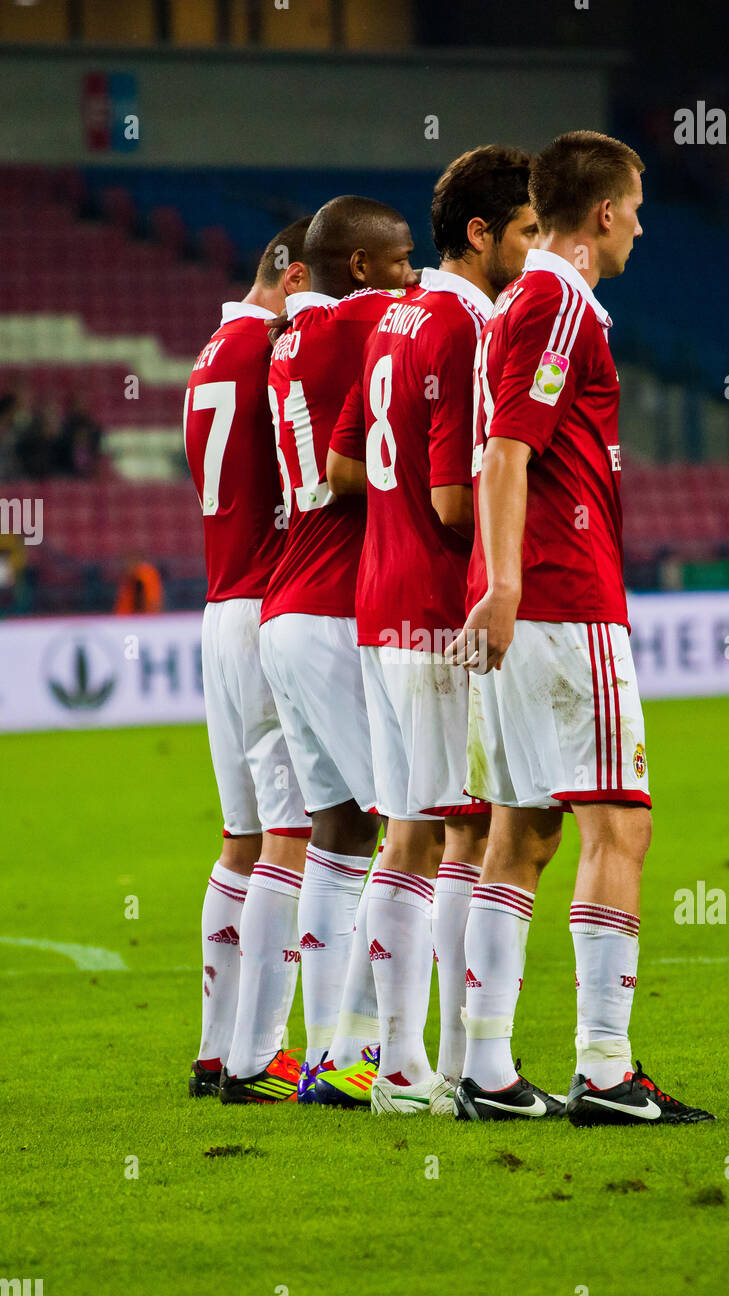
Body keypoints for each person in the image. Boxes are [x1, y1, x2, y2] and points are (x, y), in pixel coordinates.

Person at [447, 131, 714, 1125]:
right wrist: (509, 582)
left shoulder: (513, 300)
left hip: (525, 602)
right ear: (599, 213)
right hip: (560, 597)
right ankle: (604, 1068)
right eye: (634, 206)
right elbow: (509, 451)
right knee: (621, 822)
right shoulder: (558, 298)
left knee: (520, 832)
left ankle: (483, 1066)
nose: (641, 225)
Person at [327, 146, 538, 1115]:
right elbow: (457, 500)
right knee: (456, 830)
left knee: (416, 831)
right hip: (434, 608)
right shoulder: (466, 323)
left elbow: (359, 468)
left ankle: (399, 1060)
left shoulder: (395, 316)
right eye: (527, 232)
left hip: (378, 596)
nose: (535, 253)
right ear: (481, 235)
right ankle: (428, 1067)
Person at [258, 196, 418, 1104]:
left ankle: (327, 1054)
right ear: (358, 267)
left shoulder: (292, 335)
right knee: (412, 827)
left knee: (341, 831)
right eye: (398, 259)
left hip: (290, 601)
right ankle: (368, 1053)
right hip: (332, 611)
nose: (410, 271)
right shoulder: (366, 319)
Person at [183, 218, 314, 1105]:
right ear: (293, 271)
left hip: (219, 608)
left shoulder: (209, 351)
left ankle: (214, 1047)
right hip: (270, 608)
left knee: (240, 839)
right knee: (294, 836)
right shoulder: (271, 349)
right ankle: (256, 1057)